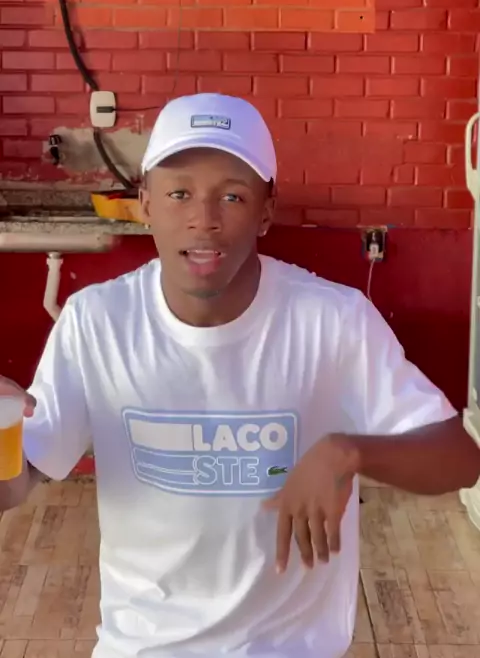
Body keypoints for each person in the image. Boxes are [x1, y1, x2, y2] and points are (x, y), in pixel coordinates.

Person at [0, 92, 478, 658]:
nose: (203, 219)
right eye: (179, 194)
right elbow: (17, 480)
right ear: (145, 202)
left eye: (232, 195)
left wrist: (352, 453)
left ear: (266, 211)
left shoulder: (333, 320)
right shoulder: (96, 322)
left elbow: (460, 458)